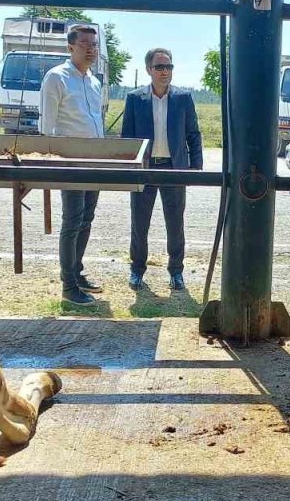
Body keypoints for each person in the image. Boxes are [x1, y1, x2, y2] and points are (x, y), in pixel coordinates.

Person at [120, 47, 203, 291]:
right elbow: (128, 138)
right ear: (149, 70)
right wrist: (127, 168)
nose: (165, 71)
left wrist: (195, 167)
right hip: (144, 169)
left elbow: (193, 133)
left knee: (175, 223)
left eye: (169, 67)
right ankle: (137, 270)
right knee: (139, 222)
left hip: (174, 168)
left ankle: (176, 271)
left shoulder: (183, 98)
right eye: (159, 67)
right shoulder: (135, 98)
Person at [40, 24, 106, 305]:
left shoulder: (93, 80)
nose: (91, 49)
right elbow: (47, 127)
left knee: (86, 219)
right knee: (72, 220)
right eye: (85, 44)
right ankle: (68, 286)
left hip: (95, 161)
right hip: (70, 161)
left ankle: (77, 273)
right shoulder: (56, 78)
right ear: (70, 47)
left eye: (94, 45)